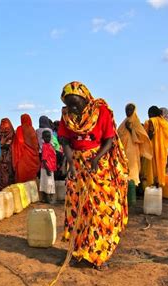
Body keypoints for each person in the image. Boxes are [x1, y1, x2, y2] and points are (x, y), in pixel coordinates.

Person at [57, 81, 128, 269]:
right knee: (79, 209)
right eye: (69, 104)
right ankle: (78, 252)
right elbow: (64, 140)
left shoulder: (101, 112)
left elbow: (109, 139)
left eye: (75, 104)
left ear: (86, 99)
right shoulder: (67, 115)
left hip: (98, 163)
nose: (72, 108)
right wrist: (71, 163)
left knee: (101, 208)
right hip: (77, 165)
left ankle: (98, 254)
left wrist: (96, 159)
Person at [142, 106, 168, 187]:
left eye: (149, 113)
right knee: (160, 169)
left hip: (153, 149)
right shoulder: (163, 121)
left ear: (152, 113)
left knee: (152, 170)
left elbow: (150, 136)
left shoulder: (152, 121)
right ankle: (159, 188)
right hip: (162, 150)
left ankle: (152, 188)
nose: (148, 115)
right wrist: (165, 142)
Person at [118, 103, 152, 186]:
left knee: (132, 168)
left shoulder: (136, 122)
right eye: (127, 110)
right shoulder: (124, 122)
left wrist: (130, 129)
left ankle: (133, 187)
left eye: (130, 110)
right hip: (123, 149)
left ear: (134, 111)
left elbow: (142, 137)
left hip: (132, 150)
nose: (128, 111)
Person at [12, 114, 40, 182]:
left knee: (22, 182)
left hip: (22, 158)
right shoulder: (32, 129)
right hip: (33, 160)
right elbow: (36, 145)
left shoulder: (19, 129)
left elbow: (17, 143)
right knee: (31, 182)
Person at [0, 118, 16, 190]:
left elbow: (10, 145)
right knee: (3, 176)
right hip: (3, 159)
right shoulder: (2, 135)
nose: (4, 128)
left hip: (9, 158)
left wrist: (2, 145)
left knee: (9, 175)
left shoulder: (11, 135)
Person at [40, 130, 57, 203]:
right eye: (46, 137)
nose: (48, 138)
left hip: (50, 167)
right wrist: (47, 169)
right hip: (46, 168)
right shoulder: (45, 146)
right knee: (48, 183)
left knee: (48, 182)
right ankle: (48, 199)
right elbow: (44, 159)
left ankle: (46, 199)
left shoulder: (50, 145)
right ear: (43, 138)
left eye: (49, 137)